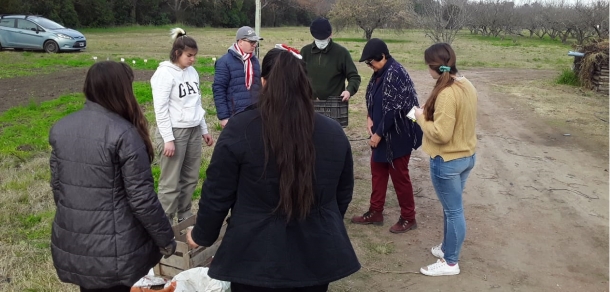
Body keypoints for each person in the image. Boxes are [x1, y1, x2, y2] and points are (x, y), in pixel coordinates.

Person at [186, 45, 360, 291]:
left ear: (264, 81)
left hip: (254, 256)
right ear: (304, 82)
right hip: (312, 255)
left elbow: (217, 192)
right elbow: (342, 194)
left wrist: (202, 235)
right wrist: (320, 225)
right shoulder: (333, 132)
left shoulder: (240, 129)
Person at [49, 61, 176, 292]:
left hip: (76, 241)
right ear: (121, 89)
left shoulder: (61, 128)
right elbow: (142, 199)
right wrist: (165, 239)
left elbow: (58, 188)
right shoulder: (125, 134)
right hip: (116, 249)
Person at [414, 43, 477, 276]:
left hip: (448, 161)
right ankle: (447, 249)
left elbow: (441, 134)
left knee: (453, 211)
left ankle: (451, 263)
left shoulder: (447, 93)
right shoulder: (465, 84)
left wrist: (420, 118)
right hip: (466, 157)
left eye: (427, 67)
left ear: (434, 67)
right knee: (451, 208)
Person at [351, 38, 422, 234]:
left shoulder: (395, 73)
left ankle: (409, 217)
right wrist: (369, 118)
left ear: (383, 56)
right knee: (378, 171)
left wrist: (378, 135)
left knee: (400, 177)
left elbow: (394, 110)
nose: (370, 66)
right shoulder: (380, 73)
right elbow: (374, 99)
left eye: (371, 62)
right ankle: (375, 212)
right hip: (381, 133)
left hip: (399, 134)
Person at [151, 28, 214, 223]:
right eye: (189, 56)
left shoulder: (192, 72)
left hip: (193, 130)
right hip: (175, 132)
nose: (193, 59)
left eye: (195, 56)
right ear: (177, 53)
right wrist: (168, 139)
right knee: (170, 181)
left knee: (190, 177)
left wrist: (203, 129)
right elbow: (160, 109)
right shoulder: (164, 74)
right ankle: (166, 222)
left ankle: (184, 214)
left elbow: (196, 103)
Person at [213, 26, 262, 128]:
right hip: (235, 116)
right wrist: (224, 117)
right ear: (240, 42)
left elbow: (258, 87)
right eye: (251, 42)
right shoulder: (224, 62)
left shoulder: (255, 61)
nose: (254, 45)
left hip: (254, 114)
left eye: (255, 42)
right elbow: (219, 89)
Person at [301, 18, 361, 101]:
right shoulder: (305, 52)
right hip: (310, 103)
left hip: (335, 103)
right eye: (319, 39)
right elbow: (298, 77)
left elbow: (354, 77)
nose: (321, 41)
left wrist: (349, 91)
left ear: (331, 34)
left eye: (323, 38)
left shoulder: (341, 53)